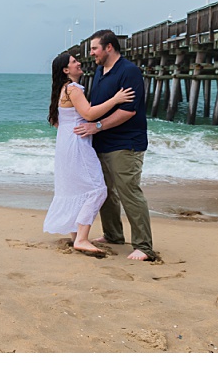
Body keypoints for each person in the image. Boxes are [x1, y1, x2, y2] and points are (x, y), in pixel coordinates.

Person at [73, 30, 156, 261]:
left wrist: (96, 126)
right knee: (105, 192)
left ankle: (144, 247)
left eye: (94, 49)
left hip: (126, 143)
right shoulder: (100, 71)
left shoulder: (129, 71)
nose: (91, 54)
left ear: (109, 47)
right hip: (102, 143)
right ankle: (113, 235)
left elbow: (128, 111)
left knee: (128, 192)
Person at [45, 51, 135, 254]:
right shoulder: (73, 89)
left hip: (66, 143)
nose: (79, 63)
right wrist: (116, 99)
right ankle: (82, 239)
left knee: (75, 188)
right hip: (78, 144)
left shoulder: (62, 89)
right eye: (74, 62)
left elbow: (58, 121)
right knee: (97, 189)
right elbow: (89, 113)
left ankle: (76, 235)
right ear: (66, 70)